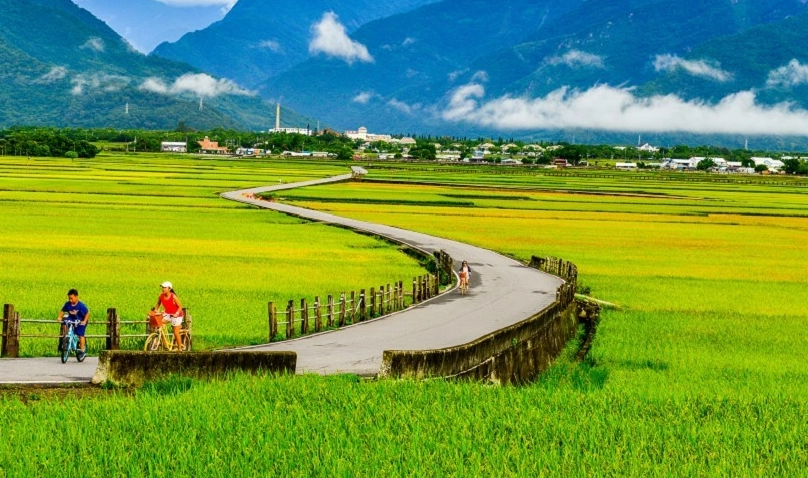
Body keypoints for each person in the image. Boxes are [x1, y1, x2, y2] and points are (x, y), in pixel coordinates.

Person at [58, 288, 89, 359]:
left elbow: (87, 313)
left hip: (80, 320)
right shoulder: (67, 304)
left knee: (80, 334)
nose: (70, 300)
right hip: (71, 318)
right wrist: (59, 317)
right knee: (65, 322)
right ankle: (66, 336)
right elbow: (62, 311)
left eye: (71, 298)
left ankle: (82, 350)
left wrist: (84, 321)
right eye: (69, 298)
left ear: (76, 297)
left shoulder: (81, 306)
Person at [153, 281, 185, 351]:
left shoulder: (173, 296)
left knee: (176, 332)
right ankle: (162, 342)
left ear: (169, 289)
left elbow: (180, 306)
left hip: (177, 315)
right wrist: (156, 310)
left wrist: (176, 313)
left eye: (165, 287)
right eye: (162, 287)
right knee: (159, 323)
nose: (163, 289)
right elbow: (158, 303)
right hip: (168, 314)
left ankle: (180, 349)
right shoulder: (161, 296)